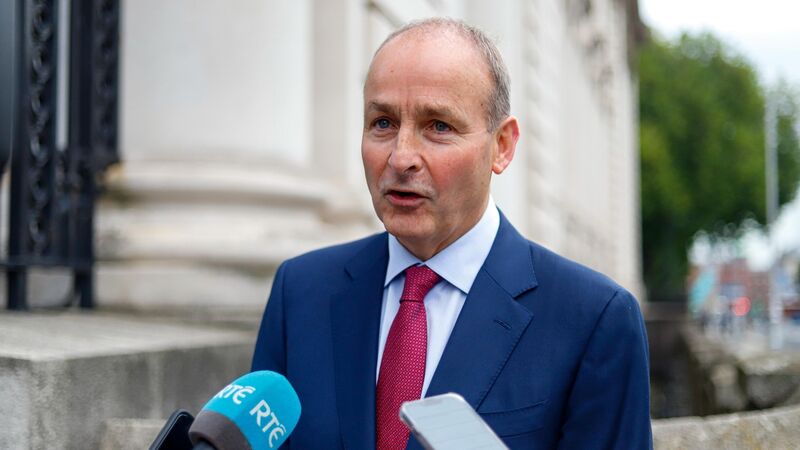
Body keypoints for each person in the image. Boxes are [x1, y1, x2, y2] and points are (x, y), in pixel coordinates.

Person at [252, 18, 652, 450]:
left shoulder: (593, 319)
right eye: (383, 123)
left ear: (502, 146)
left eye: (438, 126)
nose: (401, 157)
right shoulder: (301, 292)